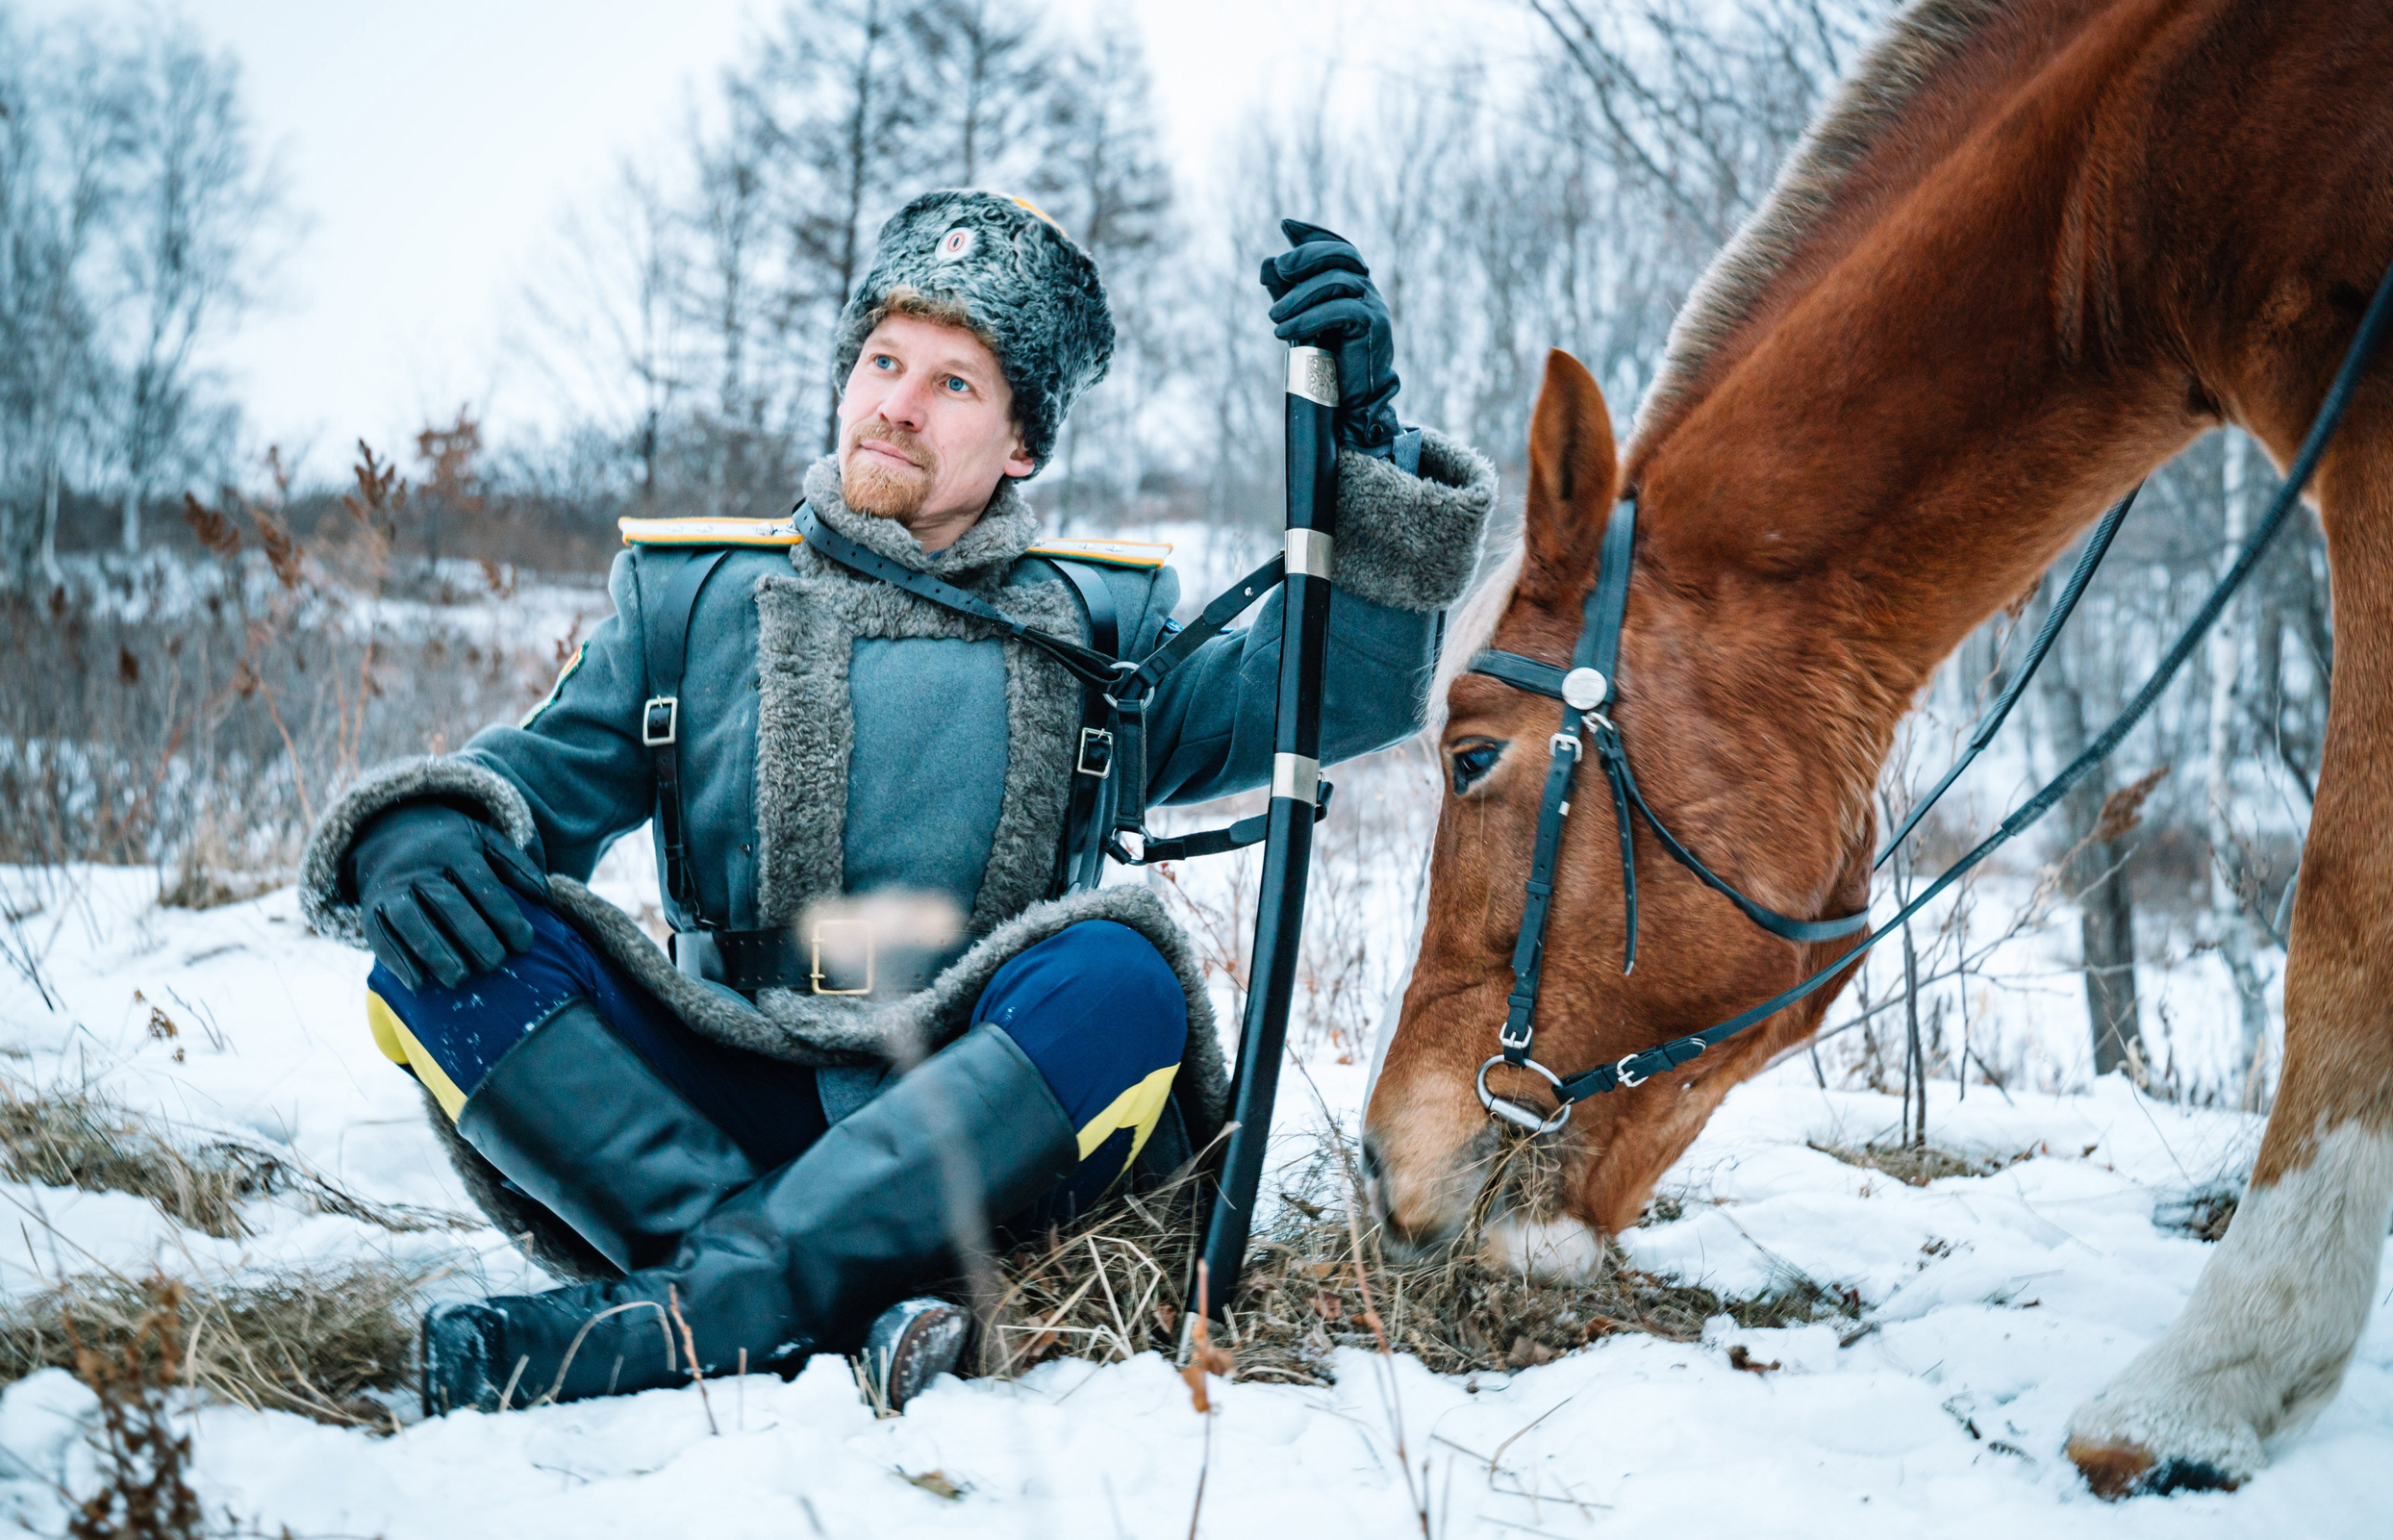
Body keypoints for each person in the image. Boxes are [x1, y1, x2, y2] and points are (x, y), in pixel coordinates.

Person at [295, 189, 1496, 1413]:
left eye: (954, 384)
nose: (896, 404)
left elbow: (1332, 698)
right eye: (882, 361)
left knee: (1120, 977)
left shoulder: (1105, 630)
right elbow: (527, 791)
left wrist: (1371, 449)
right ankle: (797, 1304)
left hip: (995, 1132)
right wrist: (417, 829)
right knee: (450, 941)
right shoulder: (690, 598)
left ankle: (691, 1309)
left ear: (1021, 445)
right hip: (716, 1095)